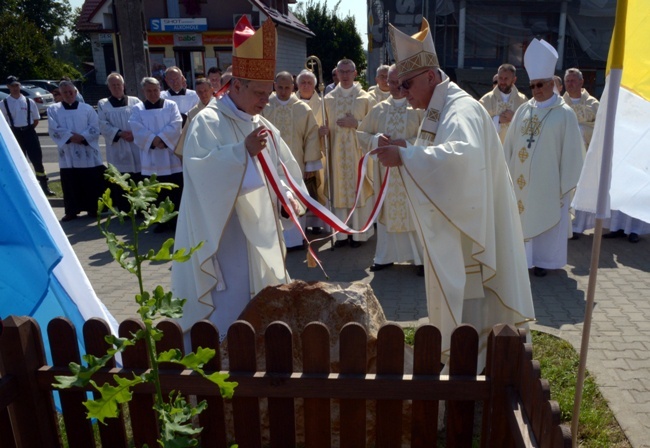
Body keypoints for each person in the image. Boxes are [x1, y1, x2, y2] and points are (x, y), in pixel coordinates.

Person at [373, 18, 535, 372]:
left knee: (474, 315)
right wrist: (409, 148)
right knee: (470, 317)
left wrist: (405, 156)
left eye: (408, 84)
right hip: (467, 228)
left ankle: (472, 376)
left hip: (471, 241)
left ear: (431, 77)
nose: (402, 91)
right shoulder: (441, 107)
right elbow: (440, 152)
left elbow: (461, 160)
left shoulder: (458, 109)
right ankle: (472, 369)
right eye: (399, 84)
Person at [171, 16, 305, 338]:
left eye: (269, 92)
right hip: (224, 238)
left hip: (258, 237)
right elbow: (200, 172)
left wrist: (287, 200)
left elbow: (282, 172)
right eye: (259, 92)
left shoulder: (262, 124)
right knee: (226, 317)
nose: (266, 99)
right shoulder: (208, 122)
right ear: (238, 86)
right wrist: (239, 153)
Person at [502, 39, 584, 277]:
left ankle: (545, 262)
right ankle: (524, 260)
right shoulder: (524, 110)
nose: (536, 90)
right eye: (533, 86)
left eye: (540, 85)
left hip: (549, 184)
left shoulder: (564, 114)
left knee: (546, 221)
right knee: (522, 218)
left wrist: (564, 184)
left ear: (551, 84)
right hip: (520, 182)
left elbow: (572, 152)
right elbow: (509, 145)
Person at [357, 65, 424, 275]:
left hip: (411, 172)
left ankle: (420, 258)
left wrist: (409, 144)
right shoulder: (378, 109)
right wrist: (376, 139)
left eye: (399, 82)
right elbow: (362, 134)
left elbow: (430, 138)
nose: (395, 87)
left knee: (413, 213)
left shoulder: (419, 109)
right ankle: (385, 256)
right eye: (391, 82)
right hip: (385, 173)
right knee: (387, 212)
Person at [262, 71, 322, 250]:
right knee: (271, 199)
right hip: (269, 162)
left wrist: (310, 163)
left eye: (287, 87)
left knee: (295, 197)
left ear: (293, 87)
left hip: (295, 163)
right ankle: (274, 240)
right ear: (274, 85)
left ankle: (296, 239)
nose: (283, 91)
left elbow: (311, 136)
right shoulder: (265, 106)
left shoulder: (302, 109)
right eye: (280, 87)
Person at [322, 58, 375, 248]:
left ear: (355, 73)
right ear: (336, 73)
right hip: (336, 154)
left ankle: (359, 234)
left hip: (358, 154)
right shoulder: (327, 100)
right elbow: (323, 125)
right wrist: (323, 132)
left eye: (348, 71)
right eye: (341, 72)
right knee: (339, 192)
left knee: (358, 192)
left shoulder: (366, 99)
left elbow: (373, 128)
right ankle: (341, 234)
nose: (345, 75)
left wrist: (357, 124)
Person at [128, 77, 183, 232]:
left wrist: (161, 139)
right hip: (152, 158)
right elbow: (136, 128)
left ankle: (177, 221)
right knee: (156, 193)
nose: (152, 93)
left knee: (175, 191)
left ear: (160, 89)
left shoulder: (171, 105)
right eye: (149, 91)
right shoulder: (138, 109)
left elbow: (176, 124)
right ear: (143, 91)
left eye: (155, 90)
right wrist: (154, 140)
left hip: (170, 157)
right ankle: (161, 222)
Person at [48, 81, 105, 222]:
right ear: (60, 94)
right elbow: (53, 128)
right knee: (70, 182)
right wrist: (71, 137)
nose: (68, 95)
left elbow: (95, 126)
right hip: (68, 154)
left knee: (89, 181)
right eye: (65, 92)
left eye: (71, 92)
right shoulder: (54, 110)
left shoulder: (87, 109)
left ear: (75, 92)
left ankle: (93, 208)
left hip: (87, 153)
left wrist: (83, 137)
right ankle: (71, 211)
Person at [1, 75, 54, 196]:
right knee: (19, 161)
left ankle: (44, 187)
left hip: (29, 132)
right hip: (15, 133)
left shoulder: (29, 101)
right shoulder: (4, 103)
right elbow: (3, 122)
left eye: (17, 85)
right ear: (8, 87)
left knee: (37, 160)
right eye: (12, 86)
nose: (15, 88)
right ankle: (22, 188)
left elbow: (36, 119)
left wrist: (28, 130)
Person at [97, 73, 143, 210]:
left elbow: (143, 118)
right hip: (118, 146)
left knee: (138, 176)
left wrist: (135, 133)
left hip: (135, 144)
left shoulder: (135, 101)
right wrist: (120, 133)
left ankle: (140, 207)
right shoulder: (103, 104)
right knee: (120, 177)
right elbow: (102, 124)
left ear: (123, 86)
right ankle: (124, 208)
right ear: (109, 87)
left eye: (118, 84)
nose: (116, 87)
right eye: (113, 85)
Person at [479, 64, 527, 143]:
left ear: (514, 80)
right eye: (500, 78)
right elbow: (478, 122)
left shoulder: (522, 100)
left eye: (506, 79)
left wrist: (515, 118)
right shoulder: (486, 100)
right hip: (493, 148)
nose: (503, 82)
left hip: (514, 147)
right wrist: (497, 120)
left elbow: (529, 124)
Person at [175, 77, 214, 157]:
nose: (203, 94)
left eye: (205, 91)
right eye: (200, 92)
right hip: (202, 152)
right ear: (196, 93)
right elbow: (186, 136)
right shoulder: (192, 113)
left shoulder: (221, 107)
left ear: (211, 90)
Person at [563, 68, 599, 149]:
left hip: (587, 152)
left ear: (581, 82)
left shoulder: (593, 104)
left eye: (573, 80)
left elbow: (600, 130)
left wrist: (582, 130)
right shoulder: (560, 104)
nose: (570, 83)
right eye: (567, 81)